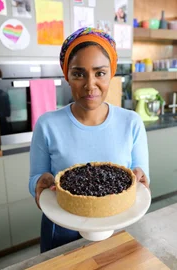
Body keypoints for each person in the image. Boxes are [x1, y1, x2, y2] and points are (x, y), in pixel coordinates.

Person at [29, 27, 150, 253]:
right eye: (78, 73)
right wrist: (39, 183)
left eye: (100, 73)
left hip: (119, 228)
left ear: (111, 73)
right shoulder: (47, 124)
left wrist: (141, 176)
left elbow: (141, 178)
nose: (90, 85)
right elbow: (36, 177)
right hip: (61, 232)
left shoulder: (131, 122)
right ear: (67, 76)